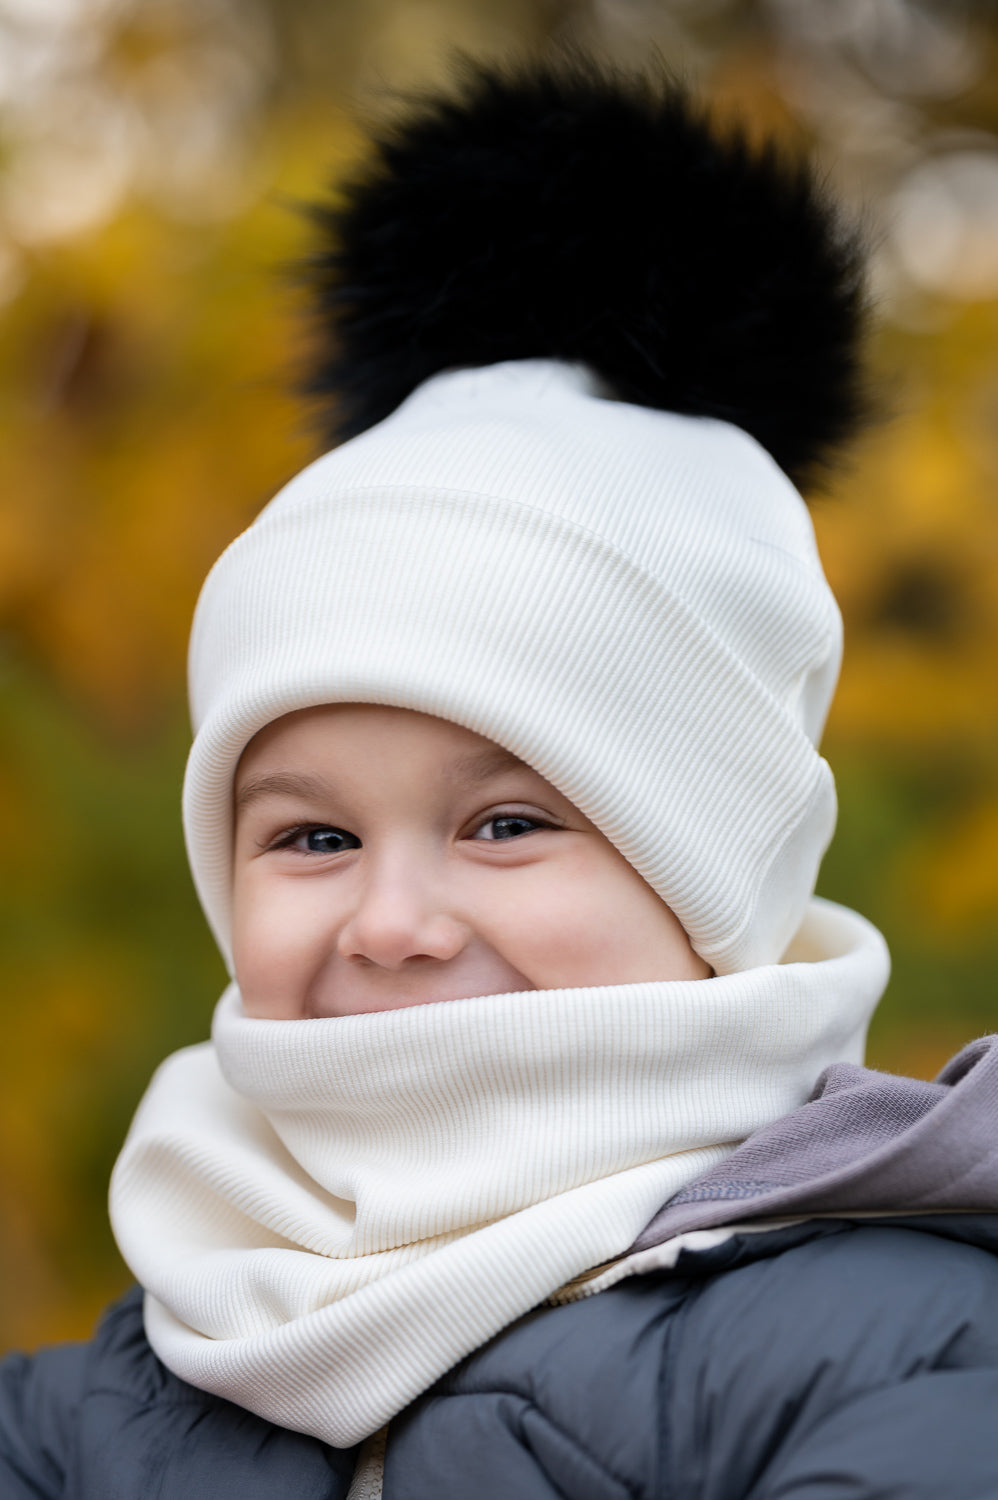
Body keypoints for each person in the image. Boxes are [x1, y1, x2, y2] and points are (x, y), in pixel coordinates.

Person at [3, 54, 998, 1500]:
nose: (391, 921)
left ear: (714, 867)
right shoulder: (117, 1396)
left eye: (509, 822)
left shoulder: (908, 1344)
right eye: (313, 836)